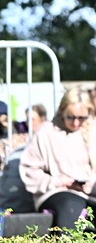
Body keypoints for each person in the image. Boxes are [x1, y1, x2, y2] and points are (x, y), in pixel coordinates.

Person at [19, 87, 96, 231]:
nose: (75, 123)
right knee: (71, 207)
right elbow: (29, 170)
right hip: (56, 191)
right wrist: (57, 181)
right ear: (62, 112)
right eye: (70, 117)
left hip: (89, 193)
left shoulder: (92, 131)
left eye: (81, 118)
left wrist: (90, 185)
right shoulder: (46, 132)